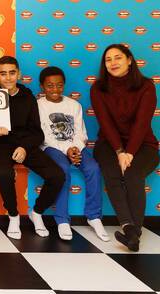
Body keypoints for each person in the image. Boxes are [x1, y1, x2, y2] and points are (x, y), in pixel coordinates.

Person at [0, 56, 64, 240]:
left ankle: (37, 213)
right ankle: (13, 215)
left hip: (24, 145)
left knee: (57, 175)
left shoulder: (28, 97)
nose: (8, 77)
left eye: (12, 73)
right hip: (0, 146)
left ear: (18, 74)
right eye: (3, 73)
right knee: (4, 173)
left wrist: (24, 147)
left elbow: (37, 133)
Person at [91, 44, 160, 252]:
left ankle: (134, 232)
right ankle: (129, 228)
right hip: (108, 143)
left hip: (143, 144)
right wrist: (120, 151)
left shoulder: (146, 86)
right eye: (108, 59)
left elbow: (142, 123)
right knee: (111, 174)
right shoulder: (98, 88)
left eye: (118, 57)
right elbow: (106, 123)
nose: (113, 63)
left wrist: (129, 152)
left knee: (132, 174)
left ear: (129, 60)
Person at [37, 66, 109, 242]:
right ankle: (62, 219)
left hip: (75, 147)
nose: (55, 89)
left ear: (64, 85)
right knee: (62, 169)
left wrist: (75, 148)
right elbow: (43, 135)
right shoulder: (38, 106)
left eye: (59, 85)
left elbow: (80, 133)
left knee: (93, 168)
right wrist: (66, 150)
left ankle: (94, 217)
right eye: (50, 86)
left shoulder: (74, 105)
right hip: (51, 147)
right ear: (42, 87)